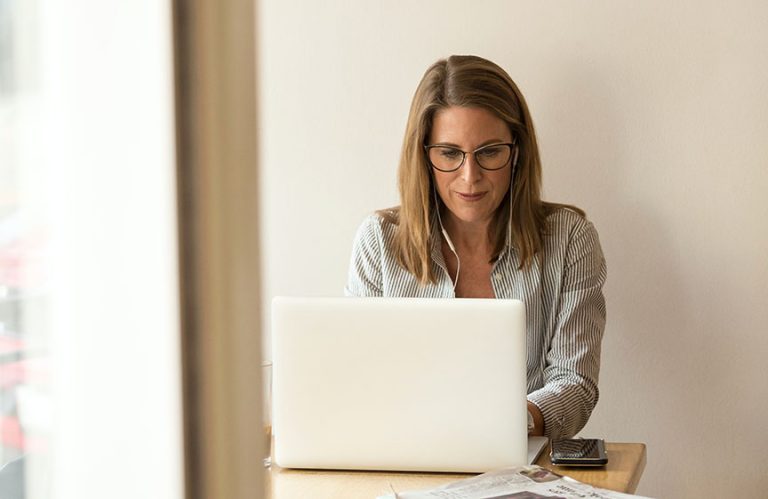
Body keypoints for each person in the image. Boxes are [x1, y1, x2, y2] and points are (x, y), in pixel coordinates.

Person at [344, 55, 606, 442]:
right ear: (424, 155)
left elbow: (575, 384)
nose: (470, 177)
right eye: (450, 154)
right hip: (404, 461)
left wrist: (506, 422)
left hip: (521, 462)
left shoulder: (570, 239)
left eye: (489, 152)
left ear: (516, 151)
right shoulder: (379, 242)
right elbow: (359, 380)